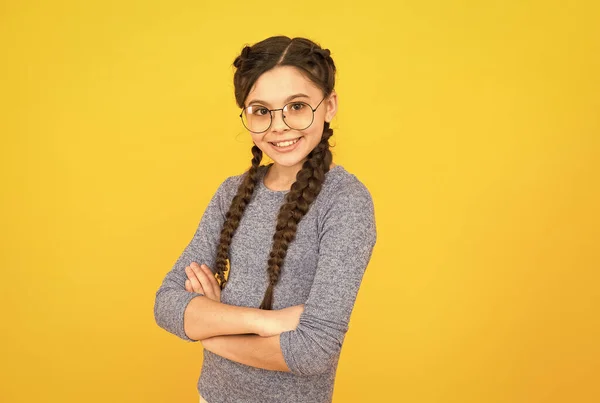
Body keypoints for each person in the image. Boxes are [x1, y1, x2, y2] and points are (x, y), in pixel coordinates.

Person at [153, 35, 377, 403]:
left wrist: (208, 327)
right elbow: (166, 304)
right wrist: (264, 322)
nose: (279, 126)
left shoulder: (345, 202)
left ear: (329, 105)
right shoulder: (232, 192)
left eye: (297, 106)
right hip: (211, 396)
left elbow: (313, 351)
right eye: (261, 110)